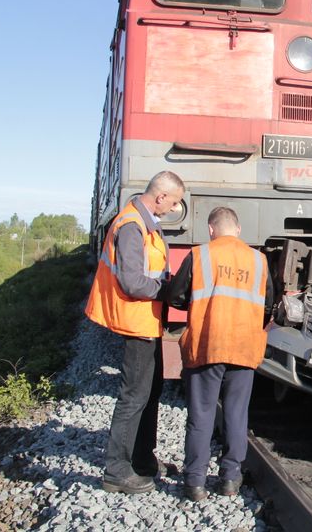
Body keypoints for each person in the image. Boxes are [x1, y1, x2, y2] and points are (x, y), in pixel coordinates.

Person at [85, 171, 186, 494]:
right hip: (136, 322)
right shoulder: (131, 225)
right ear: (160, 196)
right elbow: (132, 282)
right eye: (173, 202)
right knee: (134, 396)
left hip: (147, 321)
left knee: (150, 391)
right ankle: (117, 470)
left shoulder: (144, 222)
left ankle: (142, 459)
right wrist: (167, 291)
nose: (174, 209)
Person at [167, 207, 273, 501]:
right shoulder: (259, 260)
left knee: (201, 415)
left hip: (207, 345)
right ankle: (229, 479)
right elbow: (268, 304)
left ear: (211, 230)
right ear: (238, 230)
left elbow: (175, 296)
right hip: (244, 347)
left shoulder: (200, 255)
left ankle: (194, 483)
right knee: (236, 414)